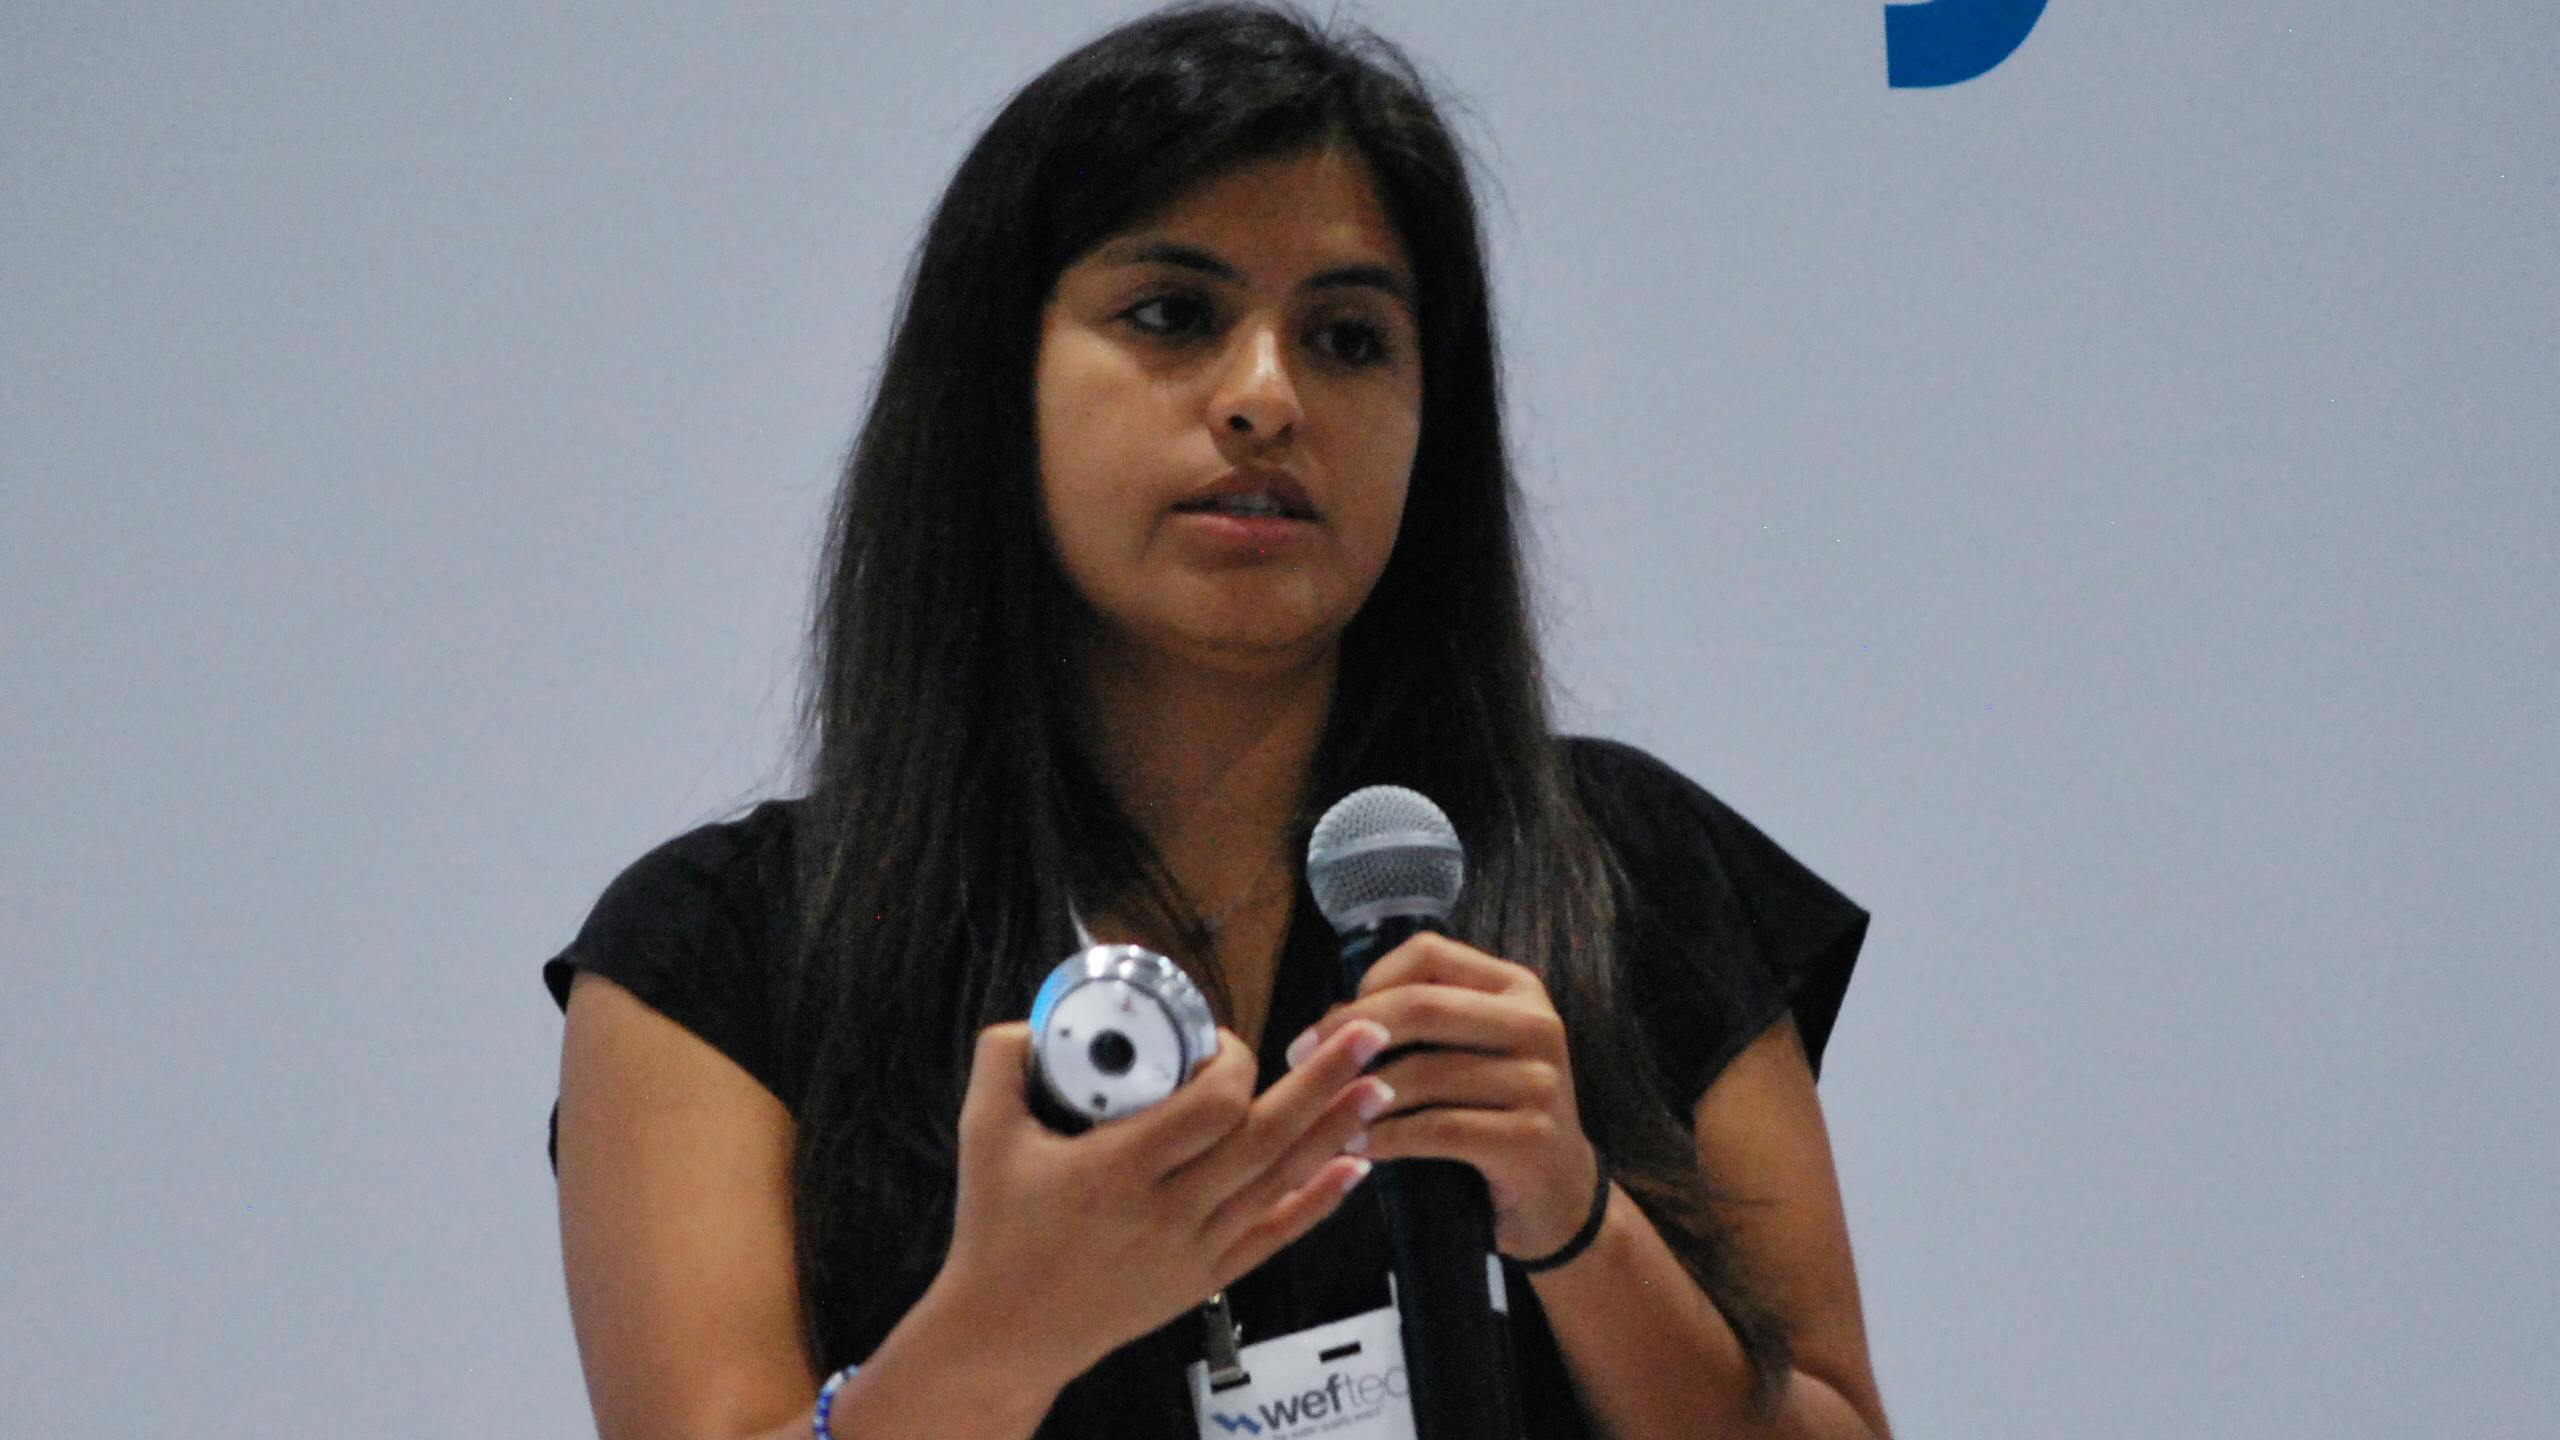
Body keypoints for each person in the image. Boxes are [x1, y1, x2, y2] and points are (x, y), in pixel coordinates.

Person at [545, 5, 1889, 1437]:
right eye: (1174, 316)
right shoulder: (721, 960)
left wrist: (1573, 1215)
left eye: (1349, 337)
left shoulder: (1626, 874)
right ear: (999, 386)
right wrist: (1002, 1329)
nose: (1267, 397)